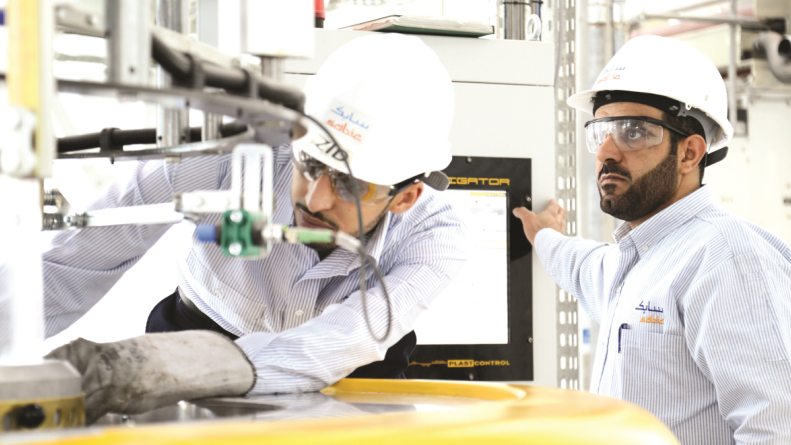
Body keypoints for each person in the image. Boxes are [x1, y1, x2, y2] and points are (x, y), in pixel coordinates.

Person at [44, 33, 467, 423]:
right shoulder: (221, 154)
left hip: (352, 367)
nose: (315, 200)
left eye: (351, 186)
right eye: (309, 163)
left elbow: (346, 337)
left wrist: (205, 367)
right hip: (196, 330)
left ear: (405, 197)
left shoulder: (434, 235)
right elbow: (72, 263)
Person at [513, 35, 791, 444]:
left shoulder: (725, 257)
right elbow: (580, 264)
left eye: (634, 132)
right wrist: (544, 235)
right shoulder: (635, 261)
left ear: (689, 153)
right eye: (600, 132)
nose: (606, 152)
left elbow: (776, 428)